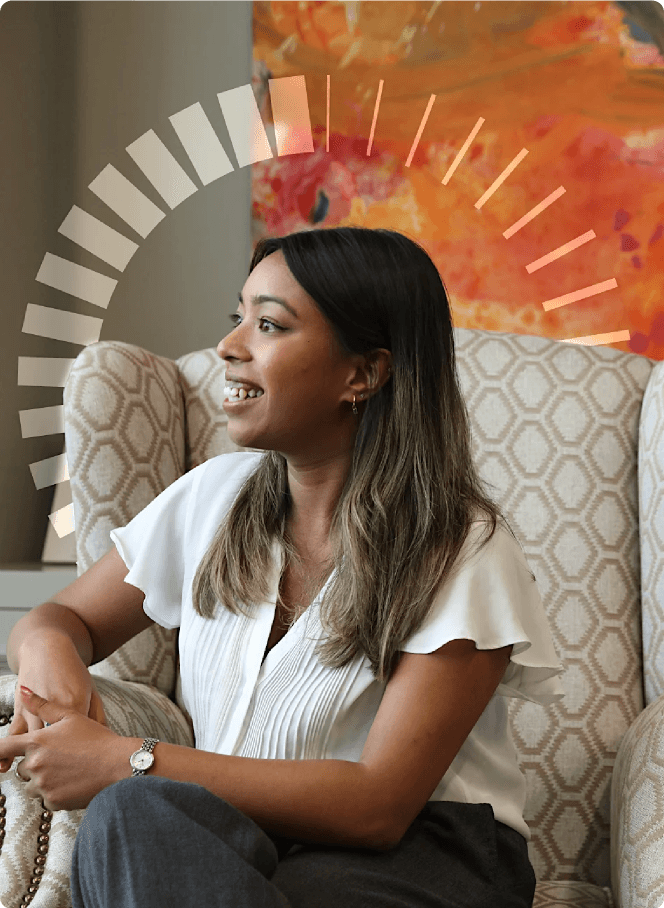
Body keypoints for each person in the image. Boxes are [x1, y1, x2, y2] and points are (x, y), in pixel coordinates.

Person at [1, 226, 564, 908]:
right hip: (249, 845)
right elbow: (61, 619)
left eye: (267, 324)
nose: (230, 347)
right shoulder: (210, 498)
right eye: (236, 318)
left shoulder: (461, 547)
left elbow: (378, 805)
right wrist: (49, 665)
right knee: (130, 819)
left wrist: (128, 760)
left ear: (364, 374)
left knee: (147, 810)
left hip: (419, 857)